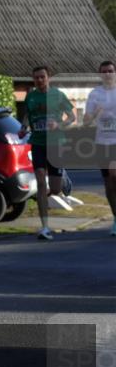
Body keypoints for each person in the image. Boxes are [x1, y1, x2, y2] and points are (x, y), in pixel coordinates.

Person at [19, 66, 77, 241]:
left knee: (56, 188)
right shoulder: (30, 97)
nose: (39, 80)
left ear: (48, 78)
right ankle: (45, 227)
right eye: (36, 78)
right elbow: (27, 117)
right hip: (37, 143)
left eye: (42, 77)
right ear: (33, 79)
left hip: (56, 144)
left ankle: (63, 179)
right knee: (40, 182)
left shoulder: (58, 95)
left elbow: (72, 117)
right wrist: (23, 128)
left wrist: (59, 125)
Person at [83, 60, 116, 236]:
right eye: (104, 71)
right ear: (100, 74)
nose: (107, 74)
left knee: (114, 174)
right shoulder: (95, 94)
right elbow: (86, 120)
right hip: (102, 143)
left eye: (110, 71)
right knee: (109, 185)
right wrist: (96, 113)